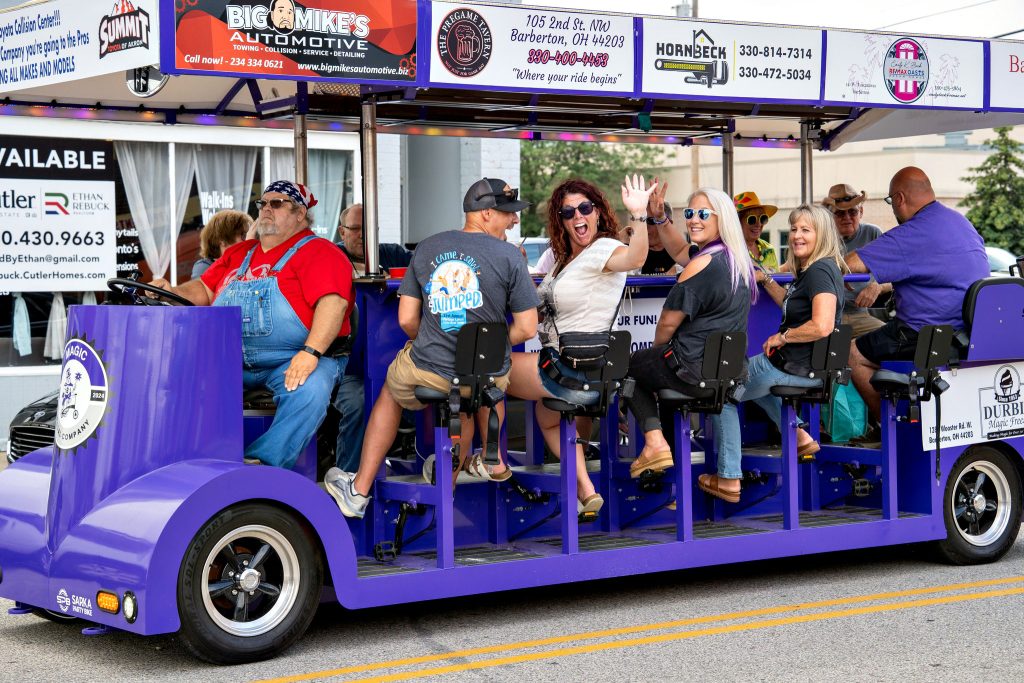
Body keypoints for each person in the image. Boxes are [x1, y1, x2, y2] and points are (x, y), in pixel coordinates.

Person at [326, 178, 540, 518]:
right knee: (471, 394)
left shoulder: (427, 248)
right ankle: (450, 485)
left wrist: (438, 338)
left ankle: (359, 489)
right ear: (485, 213)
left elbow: (407, 320)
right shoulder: (511, 256)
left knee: (391, 392)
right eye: (507, 214)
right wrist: (482, 347)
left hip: (431, 369)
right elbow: (528, 327)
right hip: (487, 377)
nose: (514, 221)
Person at [150, 181, 355, 469]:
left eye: (277, 203)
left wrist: (311, 353)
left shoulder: (320, 252)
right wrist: (168, 290)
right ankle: (191, 460)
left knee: (309, 390)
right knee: (179, 375)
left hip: (295, 358)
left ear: (300, 214)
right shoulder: (239, 253)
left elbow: (334, 305)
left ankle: (261, 466)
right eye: (263, 204)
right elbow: (204, 291)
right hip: (235, 360)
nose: (266, 209)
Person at [506, 175, 657, 517]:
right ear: (560, 220)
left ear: (599, 212)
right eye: (568, 211)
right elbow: (541, 305)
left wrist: (638, 214)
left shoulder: (604, 249)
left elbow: (635, 258)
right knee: (547, 417)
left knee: (489, 368)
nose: (578, 216)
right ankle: (585, 490)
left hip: (572, 367)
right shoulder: (563, 262)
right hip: (581, 366)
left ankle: (488, 460)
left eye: (585, 208)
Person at [624, 189, 755, 493]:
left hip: (694, 371)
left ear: (721, 219)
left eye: (703, 214)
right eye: (690, 213)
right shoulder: (734, 259)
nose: (695, 219)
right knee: (661, 378)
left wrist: (657, 353)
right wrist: (660, 218)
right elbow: (680, 249)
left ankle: (655, 445)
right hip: (727, 373)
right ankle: (668, 474)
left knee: (630, 368)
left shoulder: (702, 265)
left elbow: (668, 321)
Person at [718, 204, 848, 502]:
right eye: (793, 229)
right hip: (803, 368)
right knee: (750, 381)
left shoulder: (820, 271)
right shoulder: (814, 270)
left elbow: (823, 325)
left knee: (721, 391)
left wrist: (783, 336)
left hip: (794, 367)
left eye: (806, 230)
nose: (796, 236)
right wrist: (767, 279)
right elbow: (793, 304)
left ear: (823, 235)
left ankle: (728, 477)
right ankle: (800, 435)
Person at [845, 167, 989, 429]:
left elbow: (851, 264)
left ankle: (893, 431)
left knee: (852, 352)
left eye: (890, 201)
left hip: (926, 335)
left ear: (899, 198)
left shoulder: (912, 233)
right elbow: (930, 270)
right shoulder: (961, 223)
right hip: (968, 334)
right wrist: (881, 286)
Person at [332, 203, 413, 472]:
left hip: (397, 364)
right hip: (347, 368)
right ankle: (348, 479)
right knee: (358, 404)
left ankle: (423, 473)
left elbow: (426, 263)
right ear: (342, 232)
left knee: (437, 401)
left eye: (369, 230)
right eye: (356, 230)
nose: (363, 236)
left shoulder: (390, 254)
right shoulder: (330, 258)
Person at [822, 183, 888, 338]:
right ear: (829, 216)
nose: (847, 218)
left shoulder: (873, 233)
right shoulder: (819, 238)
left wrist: (877, 286)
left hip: (860, 315)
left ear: (861, 212)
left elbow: (893, 275)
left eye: (852, 212)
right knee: (825, 355)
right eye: (839, 213)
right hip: (825, 316)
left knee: (890, 342)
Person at [336, 203, 412, 277]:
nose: (363, 235)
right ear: (342, 232)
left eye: (369, 228)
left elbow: (421, 268)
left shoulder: (395, 254)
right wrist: (374, 271)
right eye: (355, 228)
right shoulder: (334, 253)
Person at [191, 210, 252, 279]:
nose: (248, 240)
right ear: (222, 240)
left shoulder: (248, 265)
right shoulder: (204, 267)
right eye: (243, 236)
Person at [733, 191, 779, 271]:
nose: (758, 224)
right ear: (738, 222)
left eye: (762, 218)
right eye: (752, 219)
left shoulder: (769, 249)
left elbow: (777, 279)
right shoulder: (731, 251)